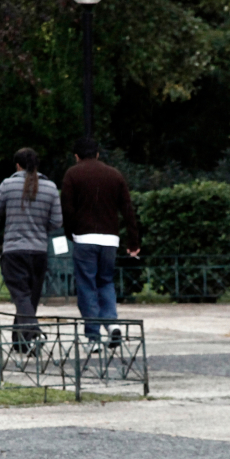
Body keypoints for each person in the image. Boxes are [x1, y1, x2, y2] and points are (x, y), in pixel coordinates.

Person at [60, 137, 140, 346]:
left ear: (76, 156)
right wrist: (133, 241)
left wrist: (71, 233)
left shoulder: (72, 174)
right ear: (97, 153)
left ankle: (93, 336)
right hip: (110, 239)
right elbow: (127, 210)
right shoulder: (114, 175)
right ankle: (112, 323)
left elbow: (67, 210)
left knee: (86, 285)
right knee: (105, 281)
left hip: (84, 237)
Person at [0, 147, 63, 349]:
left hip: (14, 251)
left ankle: (32, 332)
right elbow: (57, 222)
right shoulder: (51, 188)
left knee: (21, 296)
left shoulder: (8, 185)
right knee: (29, 298)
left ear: (17, 165)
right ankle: (20, 343)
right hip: (39, 251)